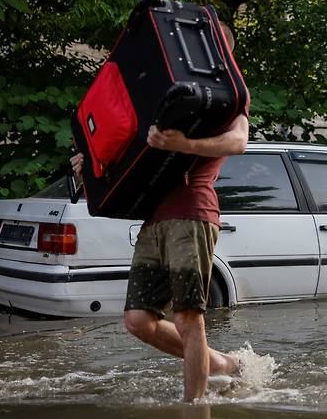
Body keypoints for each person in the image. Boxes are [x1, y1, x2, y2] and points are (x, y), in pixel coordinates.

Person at [71, 23, 248, 402]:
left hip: (192, 213)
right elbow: (134, 152)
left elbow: (238, 141)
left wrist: (187, 143)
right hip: (154, 219)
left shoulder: (229, 96)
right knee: (138, 320)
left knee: (188, 318)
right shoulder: (167, 92)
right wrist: (91, 167)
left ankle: (193, 407)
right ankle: (225, 364)